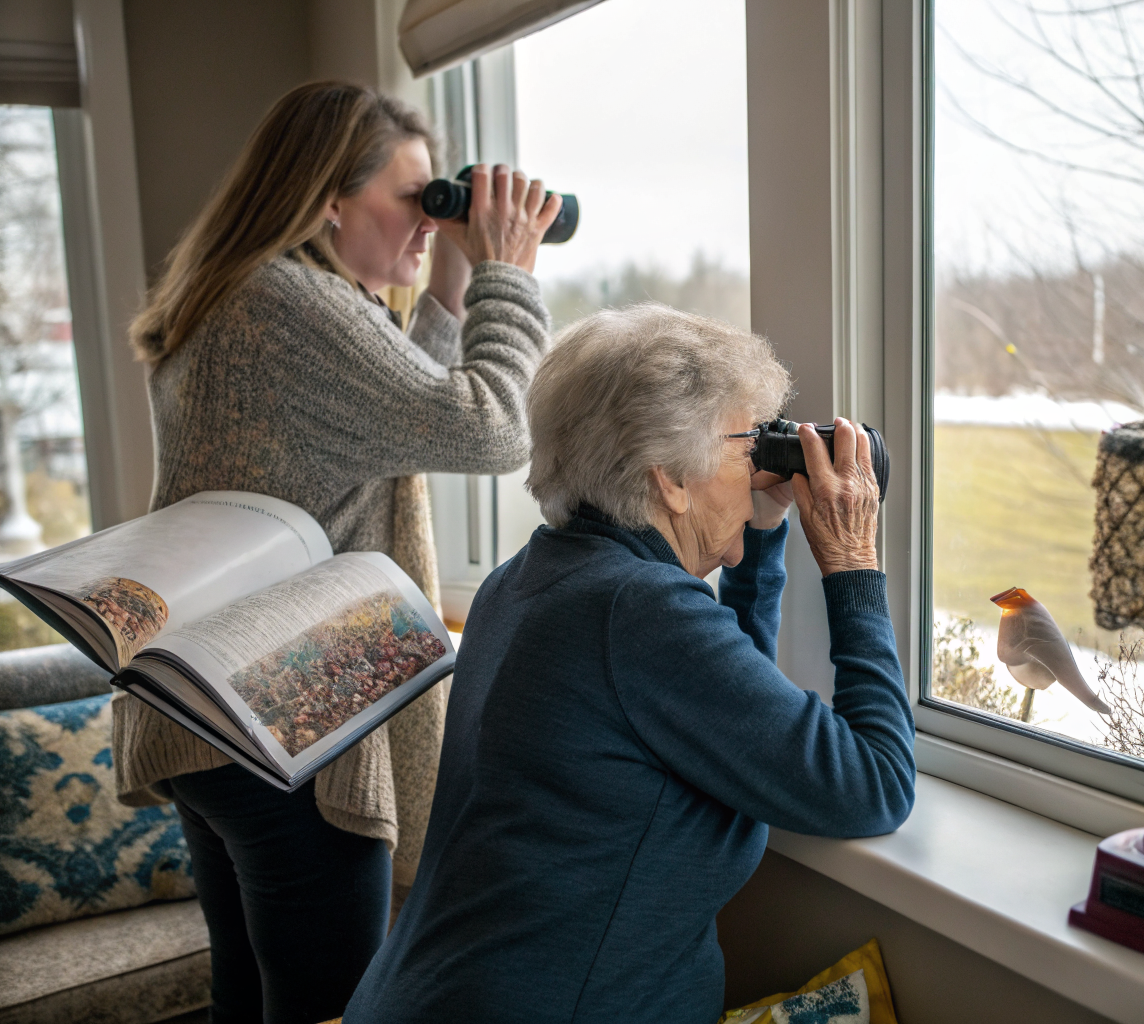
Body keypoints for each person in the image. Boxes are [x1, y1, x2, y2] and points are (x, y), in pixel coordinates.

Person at [113, 81, 561, 1024]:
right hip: (277, 715)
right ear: (326, 200)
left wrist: (441, 290)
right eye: (412, 201)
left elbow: (385, 424)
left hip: (209, 707)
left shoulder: (244, 291)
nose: (427, 223)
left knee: (252, 992)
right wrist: (506, 274)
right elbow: (487, 431)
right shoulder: (289, 299)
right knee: (335, 1006)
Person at [345, 305, 917, 1024]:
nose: (759, 466)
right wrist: (853, 561)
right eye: (749, 446)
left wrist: (760, 532)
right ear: (670, 479)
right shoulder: (638, 613)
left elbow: (722, 707)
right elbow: (875, 784)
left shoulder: (529, 579)